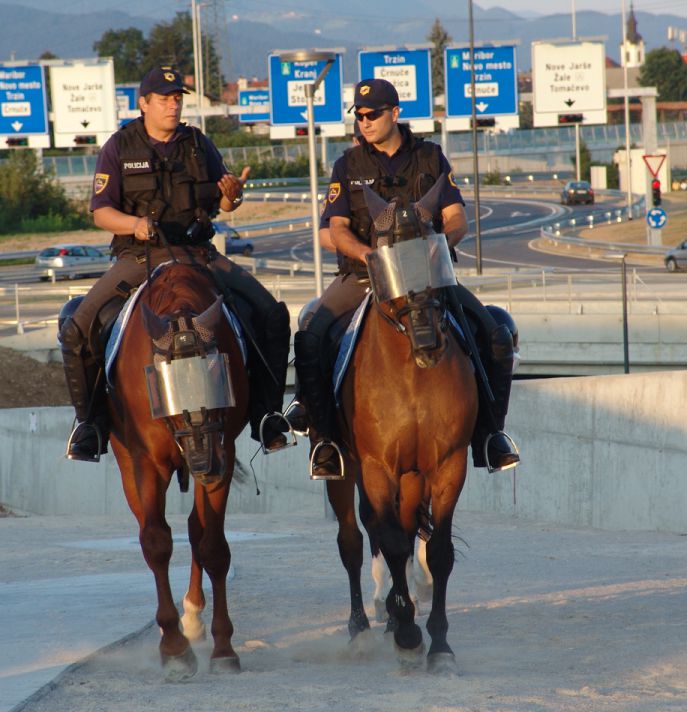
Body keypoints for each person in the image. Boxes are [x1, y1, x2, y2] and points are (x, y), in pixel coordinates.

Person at [59, 65, 291, 462]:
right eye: (164, 98)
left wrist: (232, 197)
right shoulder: (119, 146)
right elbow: (101, 212)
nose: (173, 104)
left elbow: (224, 203)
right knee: (78, 326)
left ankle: (266, 415)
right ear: (144, 103)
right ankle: (89, 423)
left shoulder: (199, 144)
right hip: (139, 258)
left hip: (199, 255)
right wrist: (135, 224)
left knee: (272, 315)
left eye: (178, 97)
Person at [291, 78, 520, 478]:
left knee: (496, 334)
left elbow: (456, 219)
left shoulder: (431, 158)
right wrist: (373, 257)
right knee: (311, 334)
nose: (365, 122)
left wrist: (432, 250)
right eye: (359, 116)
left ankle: (491, 435)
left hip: (428, 275)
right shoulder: (348, 165)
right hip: (364, 277)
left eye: (373, 114)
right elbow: (336, 229)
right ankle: (325, 441)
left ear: (395, 113)